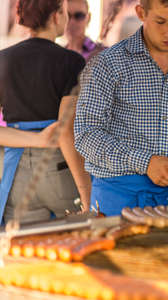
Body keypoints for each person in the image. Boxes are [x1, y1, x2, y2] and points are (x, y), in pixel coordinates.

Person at [74, 0, 168, 216]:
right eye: (160, 21)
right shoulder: (108, 64)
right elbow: (86, 134)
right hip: (115, 197)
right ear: (141, 13)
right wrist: (146, 163)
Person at [0, 0, 91, 223]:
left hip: (16, 175)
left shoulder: (2, 60)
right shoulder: (71, 61)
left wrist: (37, 139)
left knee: (22, 251)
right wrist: (86, 191)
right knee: (71, 244)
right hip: (59, 169)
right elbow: (66, 131)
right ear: (56, 16)